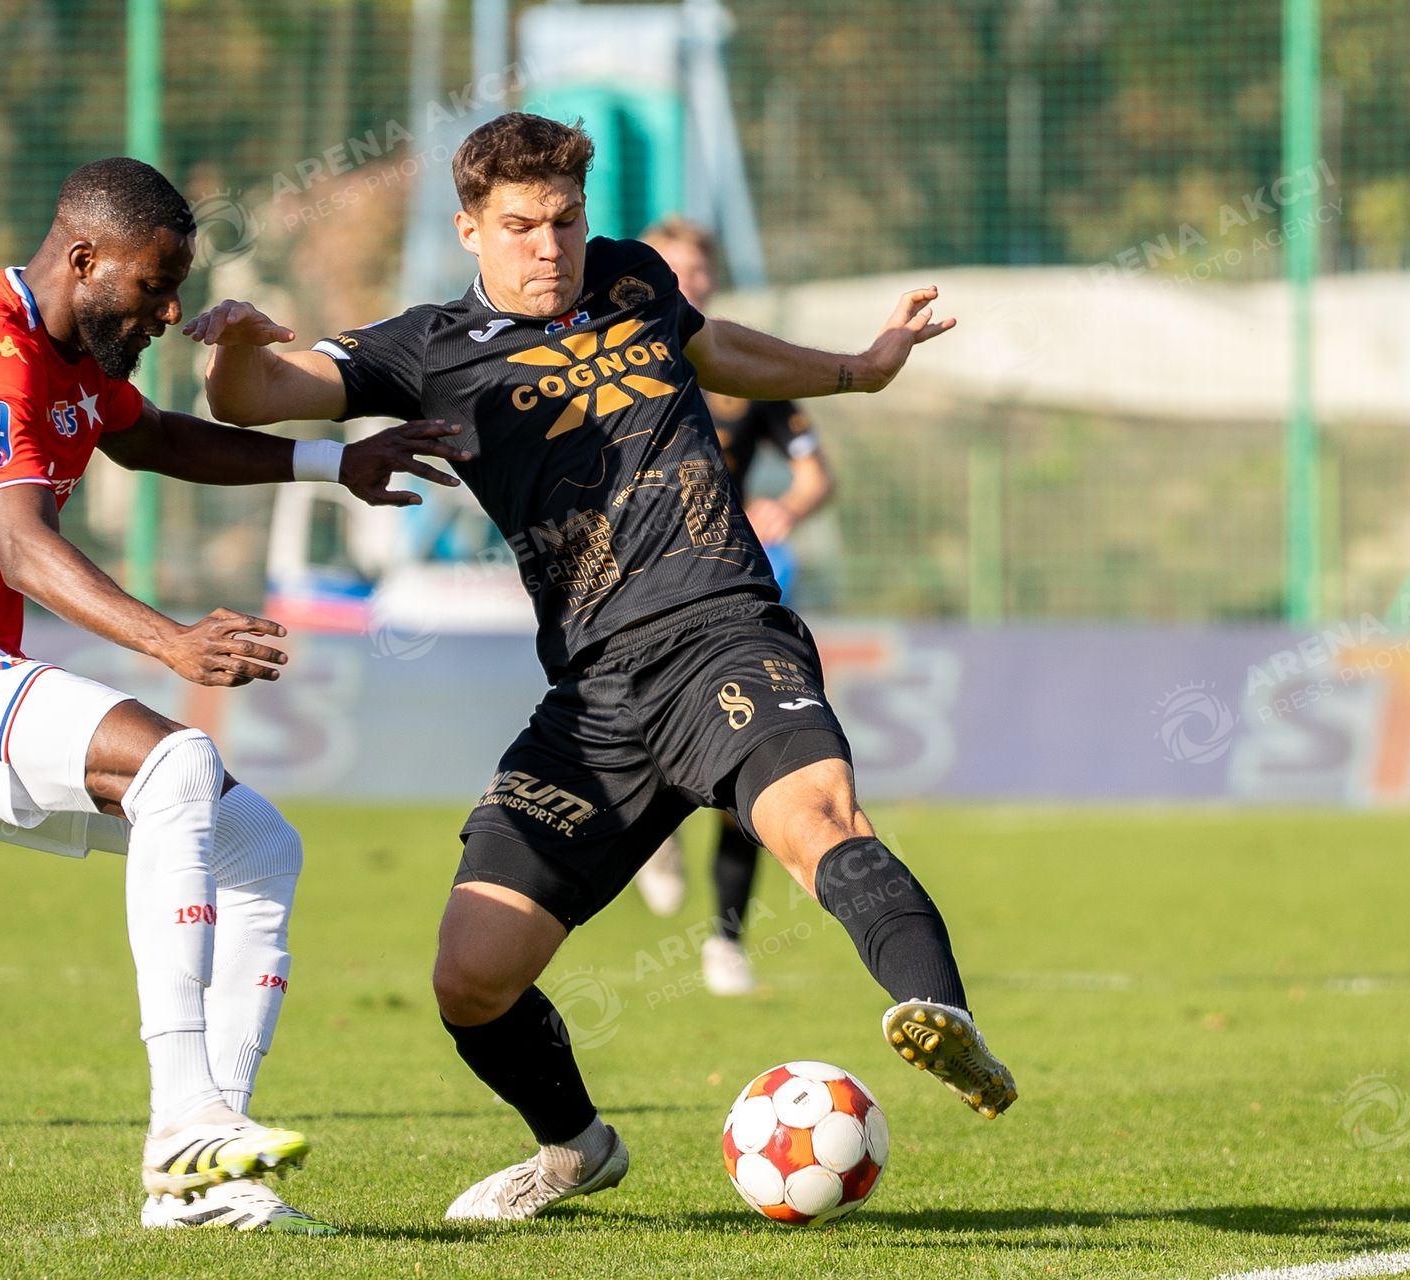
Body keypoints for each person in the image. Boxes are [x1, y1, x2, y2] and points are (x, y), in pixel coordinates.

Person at [189, 112, 1015, 1223]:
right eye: (522, 225)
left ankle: (942, 1017)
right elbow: (251, 399)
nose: (551, 247)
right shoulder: (426, 348)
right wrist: (238, 345)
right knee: (472, 975)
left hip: (725, 632)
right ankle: (576, 1147)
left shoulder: (634, 279)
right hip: (595, 695)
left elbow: (712, 348)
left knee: (819, 818)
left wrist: (856, 372)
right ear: (470, 230)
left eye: (567, 221)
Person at [0, 158, 466, 1233]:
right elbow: (22, 547)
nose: (169, 312)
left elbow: (154, 437)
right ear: (83, 259)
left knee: (258, 846)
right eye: (154, 287)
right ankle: (184, 1119)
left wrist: (329, 463)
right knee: (176, 763)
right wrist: (169, 640)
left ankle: (204, 1181)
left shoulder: (66, 353)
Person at [630, 218, 837, 997]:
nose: (687, 282)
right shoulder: (607, 362)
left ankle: (725, 942)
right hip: (637, 590)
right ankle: (652, 824)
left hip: (729, 585)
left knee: (754, 754)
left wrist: (788, 507)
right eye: (671, 268)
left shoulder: (737, 363)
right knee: (644, 728)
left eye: (698, 270)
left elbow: (816, 476)